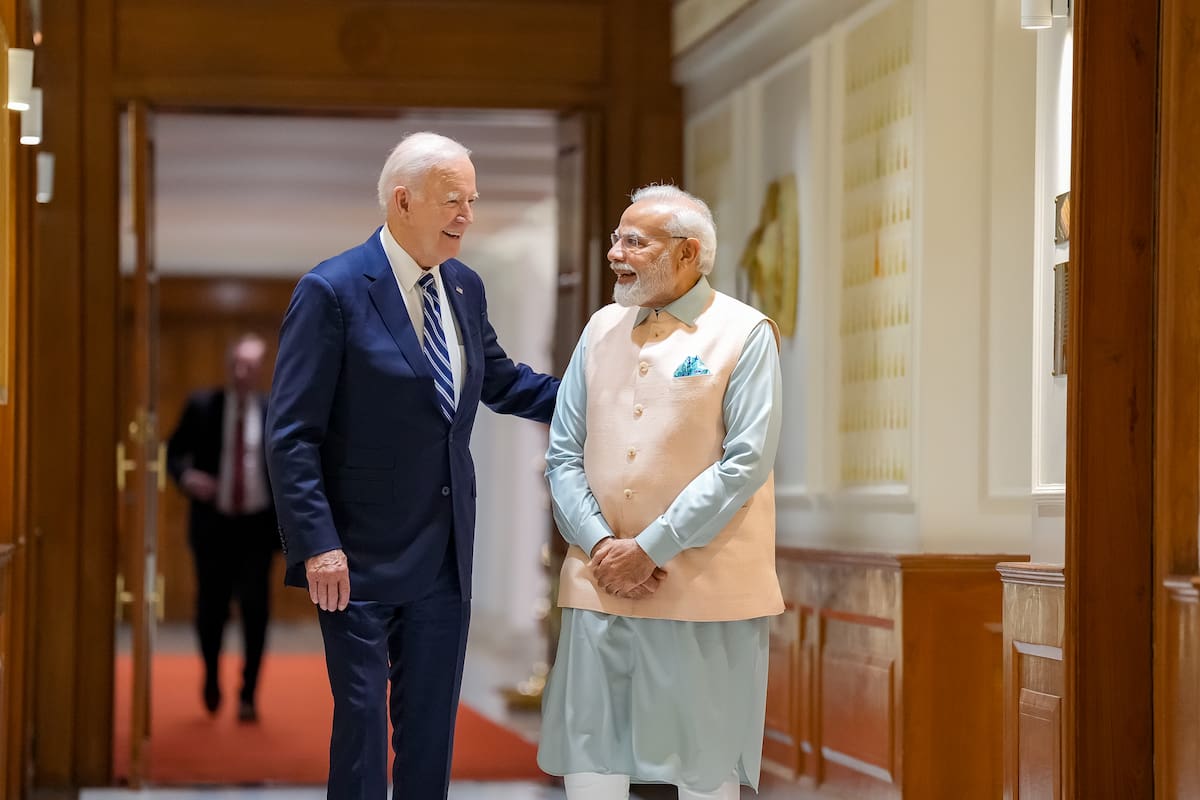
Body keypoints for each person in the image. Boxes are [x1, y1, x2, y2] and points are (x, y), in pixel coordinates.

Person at [265, 131, 559, 799]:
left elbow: (505, 382)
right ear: (403, 201)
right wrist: (318, 546)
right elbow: (291, 434)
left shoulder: (463, 288)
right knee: (364, 734)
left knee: (430, 736)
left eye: (473, 200)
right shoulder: (332, 291)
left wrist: (604, 394)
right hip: (356, 562)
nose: (468, 216)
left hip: (444, 555)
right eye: (453, 200)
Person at [537, 184, 785, 800]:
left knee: (705, 768)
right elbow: (563, 453)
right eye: (618, 239)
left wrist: (650, 548)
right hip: (598, 585)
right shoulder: (598, 330)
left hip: (704, 588)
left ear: (687, 253)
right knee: (591, 762)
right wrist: (601, 545)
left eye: (634, 241)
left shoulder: (745, 333)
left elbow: (745, 462)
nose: (616, 253)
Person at [166, 332, 278, 724]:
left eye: (250, 365)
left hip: (257, 528)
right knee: (210, 610)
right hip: (213, 526)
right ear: (229, 365)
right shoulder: (203, 406)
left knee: (255, 611)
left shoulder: (273, 409)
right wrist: (187, 477)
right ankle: (211, 676)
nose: (242, 372)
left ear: (260, 369)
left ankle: (248, 693)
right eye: (237, 364)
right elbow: (173, 453)